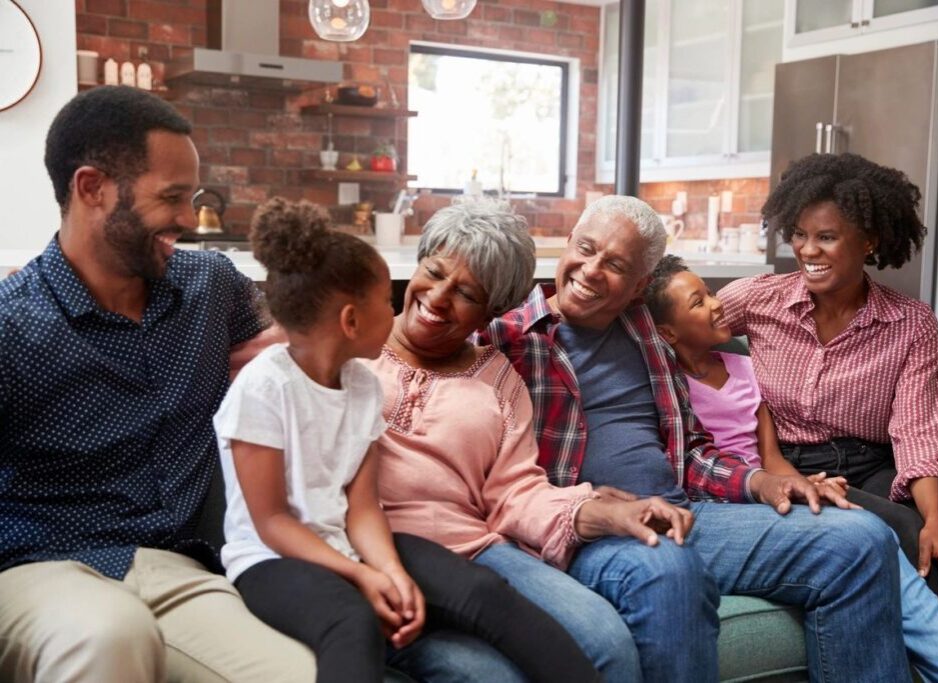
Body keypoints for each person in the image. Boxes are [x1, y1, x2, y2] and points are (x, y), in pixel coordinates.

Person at [480, 194, 912, 682]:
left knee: (862, 540)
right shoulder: (508, 337)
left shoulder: (645, 331)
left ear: (640, 286)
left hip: (688, 512)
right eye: (586, 247)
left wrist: (759, 484)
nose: (592, 269)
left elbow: (689, 451)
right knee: (668, 566)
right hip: (593, 531)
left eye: (616, 264)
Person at [0, 86, 314, 681]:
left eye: (191, 197)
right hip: (41, 568)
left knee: (305, 674)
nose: (187, 219)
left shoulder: (211, 286)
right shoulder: (13, 324)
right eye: (170, 197)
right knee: (109, 634)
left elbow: (276, 359)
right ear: (91, 189)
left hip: (180, 571)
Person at [215, 197, 600, 683]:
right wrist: (363, 575)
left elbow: (362, 508)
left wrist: (392, 572)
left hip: (352, 542)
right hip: (272, 559)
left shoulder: (360, 386)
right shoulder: (265, 383)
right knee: (352, 620)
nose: (402, 309)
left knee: (484, 592)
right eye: (385, 302)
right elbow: (270, 521)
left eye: (466, 292)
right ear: (351, 322)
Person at [368, 199, 696, 682]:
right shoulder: (352, 343)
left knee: (605, 642)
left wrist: (602, 512)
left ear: (492, 314)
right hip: (371, 546)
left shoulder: (498, 377)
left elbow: (516, 494)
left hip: (477, 552)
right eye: (433, 272)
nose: (438, 297)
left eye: (466, 293)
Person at [647, 255, 938, 680]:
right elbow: (688, 464)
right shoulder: (666, 385)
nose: (717, 303)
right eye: (700, 300)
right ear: (667, 332)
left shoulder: (746, 370)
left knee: (920, 534)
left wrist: (804, 485)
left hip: (785, 485)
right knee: (881, 533)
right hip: (732, 502)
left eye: (710, 292)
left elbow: (771, 457)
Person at [718, 153, 938, 634]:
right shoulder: (758, 299)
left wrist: (936, 517)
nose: (807, 250)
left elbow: (917, 433)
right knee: (904, 534)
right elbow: (674, 324)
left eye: (826, 237)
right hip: (786, 464)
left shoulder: (910, 323)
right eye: (799, 234)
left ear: (870, 241)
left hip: (872, 464)